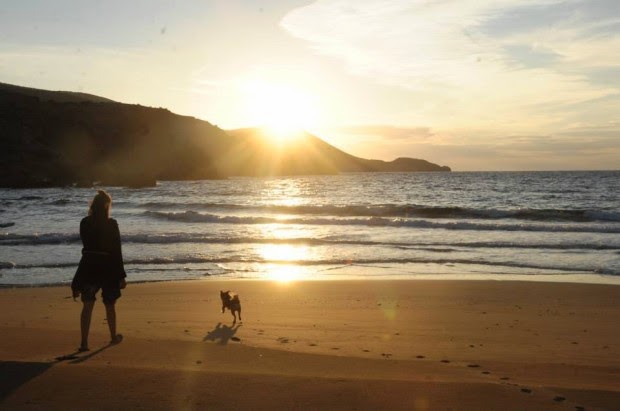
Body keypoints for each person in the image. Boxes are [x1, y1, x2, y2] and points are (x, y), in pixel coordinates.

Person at [71, 190, 127, 351]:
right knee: (110, 304)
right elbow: (117, 251)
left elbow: (86, 246)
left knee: (87, 304)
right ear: (105, 205)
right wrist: (121, 276)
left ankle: (84, 343)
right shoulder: (112, 224)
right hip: (108, 267)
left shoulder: (84, 222)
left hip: (88, 266)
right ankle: (113, 336)